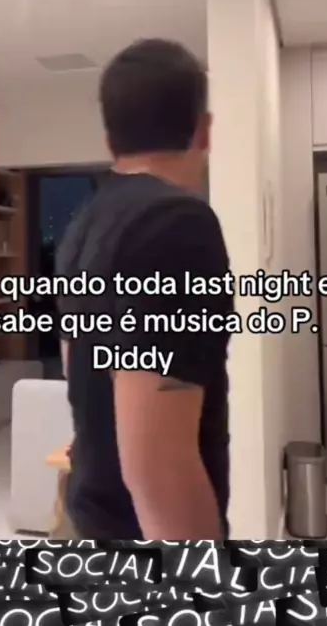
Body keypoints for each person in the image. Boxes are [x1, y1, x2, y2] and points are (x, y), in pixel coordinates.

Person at [56, 38, 233, 540]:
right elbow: (158, 467)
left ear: (110, 140)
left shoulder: (81, 228)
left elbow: (76, 367)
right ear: (204, 130)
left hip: (89, 514)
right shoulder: (177, 223)